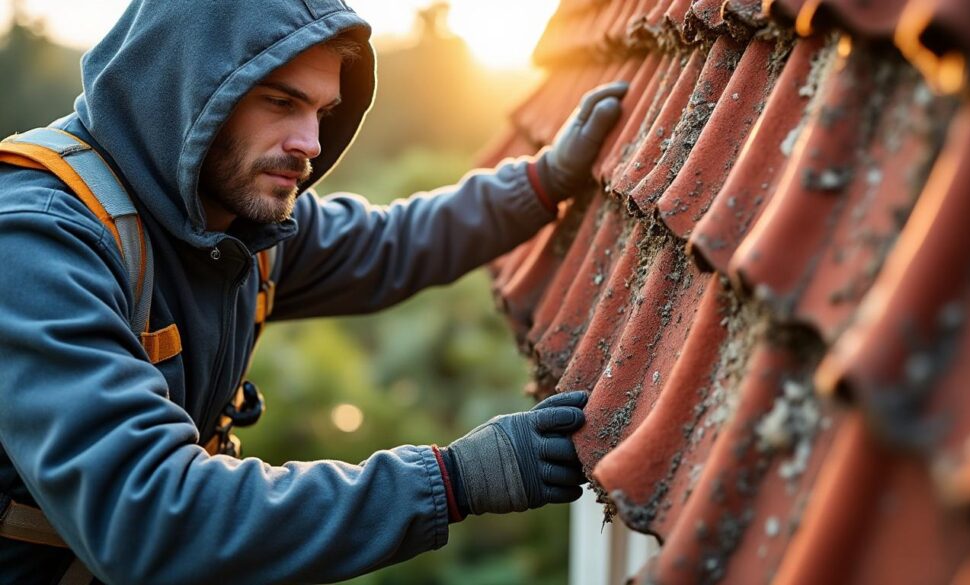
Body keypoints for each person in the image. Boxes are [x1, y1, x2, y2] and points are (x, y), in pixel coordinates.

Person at [0, 2, 628, 584]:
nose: (311, 144)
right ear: (186, 91)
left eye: (323, 113)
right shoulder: (38, 242)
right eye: (281, 102)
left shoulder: (232, 218)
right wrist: (451, 480)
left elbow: (387, 243)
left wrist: (541, 183)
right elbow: (149, 515)